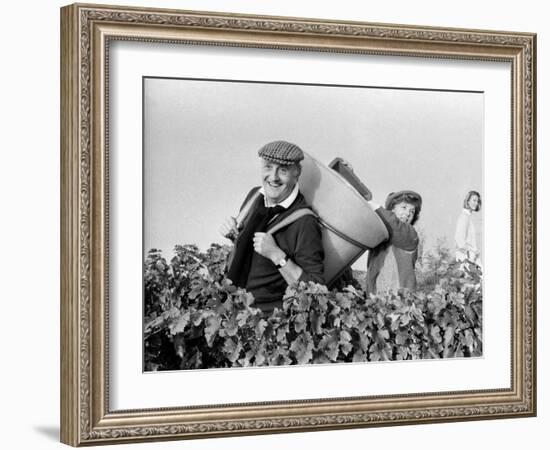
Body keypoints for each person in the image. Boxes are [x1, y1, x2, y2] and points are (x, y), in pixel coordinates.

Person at [220, 140, 325, 314]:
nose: (273, 177)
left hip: (269, 323)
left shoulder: (305, 222)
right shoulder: (255, 196)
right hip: (235, 310)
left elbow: (316, 293)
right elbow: (249, 252)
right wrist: (234, 234)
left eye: (282, 170)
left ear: (296, 172)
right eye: (268, 167)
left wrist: (277, 256)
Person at [366, 190, 422, 294]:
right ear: (392, 209)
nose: (408, 213)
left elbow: (394, 225)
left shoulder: (410, 234)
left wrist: (372, 205)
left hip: (401, 301)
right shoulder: (381, 238)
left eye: (412, 211)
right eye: (404, 207)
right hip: (377, 299)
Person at [454, 190, 482, 266]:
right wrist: (473, 251)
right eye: (474, 200)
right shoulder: (464, 217)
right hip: (465, 259)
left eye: (477, 201)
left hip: (471, 258)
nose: (476, 203)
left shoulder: (468, 217)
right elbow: (459, 240)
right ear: (468, 201)